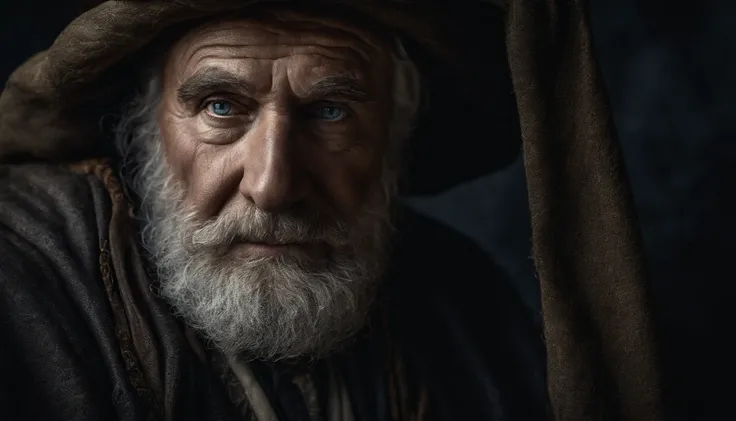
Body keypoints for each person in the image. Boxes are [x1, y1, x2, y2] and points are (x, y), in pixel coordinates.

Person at [0, 1, 664, 421]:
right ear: (144, 130)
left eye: (330, 111)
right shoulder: (22, 269)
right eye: (221, 107)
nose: (272, 184)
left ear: (396, 140)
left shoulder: (465, 308)